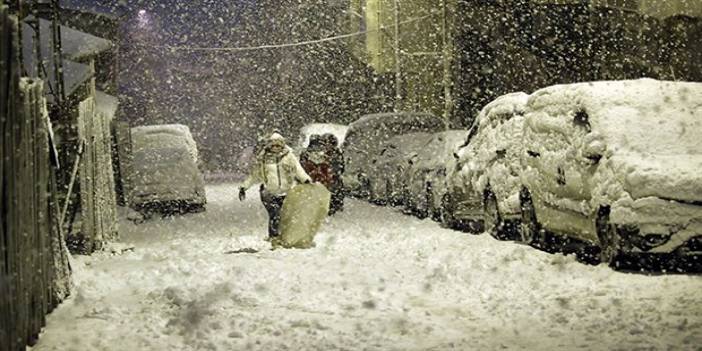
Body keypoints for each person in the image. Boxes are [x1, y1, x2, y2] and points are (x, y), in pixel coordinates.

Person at [239, 132, 312, 239]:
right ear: (269, 145)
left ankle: (286, 236)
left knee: (287, 216)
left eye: (278, 145)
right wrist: (243, 187)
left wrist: (306, 180)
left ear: (282, 145)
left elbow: (298, 170)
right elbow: (254, 175)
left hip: (286, 192)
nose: (275, 147)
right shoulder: (263, 159)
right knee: (275, 215)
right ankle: (274, 237)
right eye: (273, 145)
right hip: (269, 193)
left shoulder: (289, 157)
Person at [322, 133, 345, 214]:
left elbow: (340, 166)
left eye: (330, 144)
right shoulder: (321, 153)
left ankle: (335, 204)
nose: (328, 146)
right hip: (325, 176)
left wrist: (333, 173)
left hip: (333, 177)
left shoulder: (337, 153)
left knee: (335, 188)